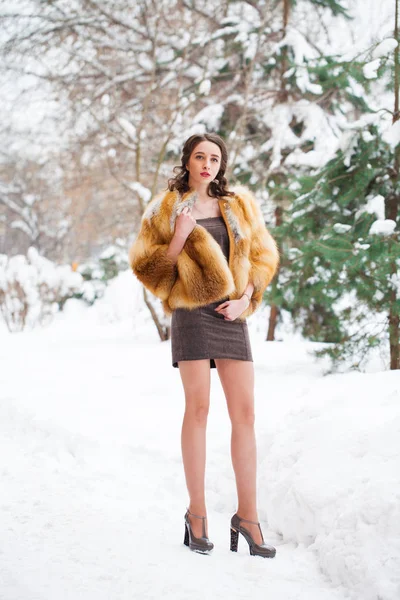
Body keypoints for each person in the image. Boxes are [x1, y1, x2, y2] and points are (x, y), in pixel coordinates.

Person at [129, 133, 279, 557]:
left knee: (245, 414)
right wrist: (179, 235)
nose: (207, 164)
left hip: (232, 316)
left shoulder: (239, 205)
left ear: (221, 164)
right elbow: (148, 269)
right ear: (188, 161)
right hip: (192, 315)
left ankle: (247, 517)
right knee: (198, 410)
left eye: (215, 158)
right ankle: (197, 515)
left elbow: (263, 257)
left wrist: (247, 298)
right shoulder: (167, 207)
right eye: (200, 156)